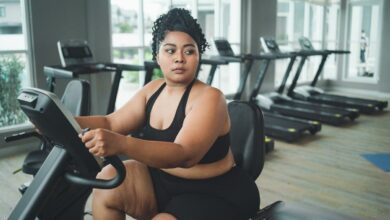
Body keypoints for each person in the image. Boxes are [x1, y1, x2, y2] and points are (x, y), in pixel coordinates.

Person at [76, 8, 259, 220]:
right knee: (108, 179)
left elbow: (184, 154)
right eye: (170, 51)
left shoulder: (211, 98)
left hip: (215, 193)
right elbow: (110, 121)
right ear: (157, 56)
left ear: (198, 56)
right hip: (163, 182)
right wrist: (62, 120)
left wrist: (122, 144)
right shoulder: (152, 90)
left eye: (189, 51)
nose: (179, 58)